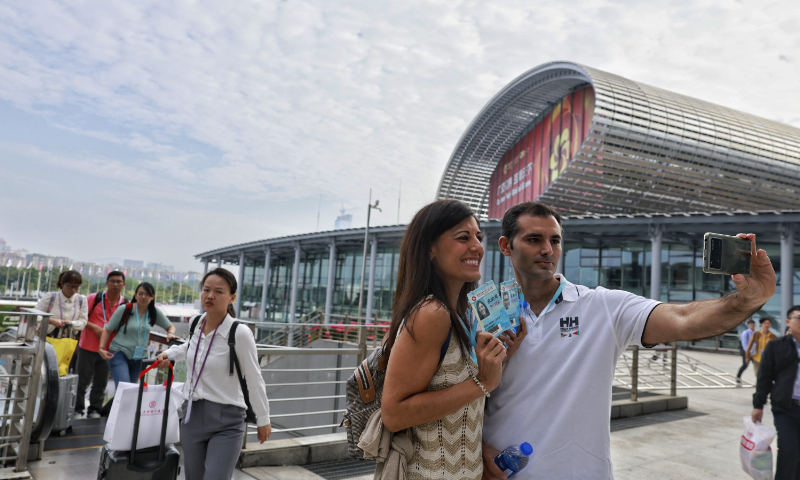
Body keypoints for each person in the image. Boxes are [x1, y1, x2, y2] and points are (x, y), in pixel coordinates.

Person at [481, 202, 775, 480]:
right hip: (501, 473)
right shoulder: (481, 316)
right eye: (534, 239)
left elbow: (684, 318)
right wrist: (480, 454)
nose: (548, 249)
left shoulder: (603, 306)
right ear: (506, 246)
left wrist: (749, 298)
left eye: (555, 241)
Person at [381, 200, 522, 480]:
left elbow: (452, 408)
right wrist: (482, 382)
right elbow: (394, 414)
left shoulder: (458, 314)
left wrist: (502, 356)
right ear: (430, 249)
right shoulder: (431, 314)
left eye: (479, 237)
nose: (477, 246)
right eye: (463, 237)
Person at [154, 268, 271, 480]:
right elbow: (191, 346)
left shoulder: (240, 333)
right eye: (206, 290)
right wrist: (169, 354)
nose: (210, 296)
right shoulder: (196, 323)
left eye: (219, 291)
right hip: (192, 414)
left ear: (232, 298)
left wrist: (263, 419)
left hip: (227, 419)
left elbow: (254, 378)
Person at [751, 306, 800, 480]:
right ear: (788, 322)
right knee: (789, 450)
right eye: (799, 317)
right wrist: (758, 405)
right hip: (785, 407)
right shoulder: (776, 345)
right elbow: (764, 377)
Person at [98, 282, 177, 386]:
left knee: (132, 391)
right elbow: (107, 330)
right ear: (135, 295)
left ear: (152, 297)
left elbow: (170, 326)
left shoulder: (153, 312)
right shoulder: (125, 309)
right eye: (140, 293)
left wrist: (170, 333)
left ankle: (117, 403)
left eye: (147, 294)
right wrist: (101, 348)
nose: (143, 297)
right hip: (120, 353)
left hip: (139, 358)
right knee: (125, 387)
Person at [76, 271, 126, 418]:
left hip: (108, 349)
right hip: (87, 347)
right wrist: (95, 327)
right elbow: (80, 318)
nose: (115, 284)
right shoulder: (94, 298)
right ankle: (77, 410)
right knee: (81, 381)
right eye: (112, 281)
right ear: (106, 283)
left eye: (119, 282)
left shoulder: (125, 304)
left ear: (124, 285)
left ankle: (95, 410)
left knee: (101, 382)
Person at [35, 270, 88, 335]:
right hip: (47, 339)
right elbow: (35, 315)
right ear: (62, 284)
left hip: (69, 341)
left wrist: (70, 324)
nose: (73, 290)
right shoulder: (51, 297)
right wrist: (52, 321)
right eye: (70, 286)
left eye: (76, 287)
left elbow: (83, 322)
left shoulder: (82, 300)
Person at [737, 319, 757, 383]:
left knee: (757, 366)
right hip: (747, 352)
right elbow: (744, 344)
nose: (752, 325)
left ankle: (759, 381)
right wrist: (747, 355)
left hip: (754, 353)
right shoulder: (746, 333)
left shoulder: (756, 333)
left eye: (753, 324)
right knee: (745, 365)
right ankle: (738, 378)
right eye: (750, 324)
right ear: (748, 325)